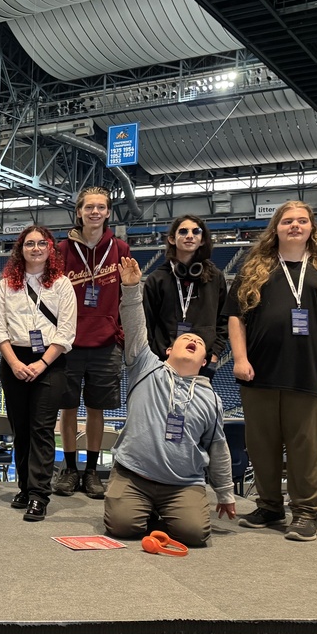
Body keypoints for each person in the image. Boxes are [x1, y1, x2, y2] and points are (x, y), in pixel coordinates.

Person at [225, 201, 317, 541]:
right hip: (260, 373)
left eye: (302, 220)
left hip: (310, 373)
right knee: (261, 445)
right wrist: (239, 359)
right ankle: (269, 506)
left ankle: (305, 512)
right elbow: (236, 317)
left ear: (312, 227)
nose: (295, 226)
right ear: (277, 228)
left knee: (306, 447)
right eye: (287, 221)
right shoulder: (255, 267)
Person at [104, 257, 236, 545]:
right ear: (167, 350)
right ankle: (143, 507)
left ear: (204, 361)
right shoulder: (145, 365)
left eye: (199, 343)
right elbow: (135, 323)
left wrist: (225, 493)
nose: (194, 341)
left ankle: (163, 510)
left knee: (195, 534)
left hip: (182, 483)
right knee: (122, 527)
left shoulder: (211, 399)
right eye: (186, 338)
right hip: (134, 475)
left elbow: (218, 448)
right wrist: (130, 287)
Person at [0, 226, 76, 521]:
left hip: (50, 361)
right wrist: (14, 363)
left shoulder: (63, 285)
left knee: (41, 429)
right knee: (21, 428)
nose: (36, 248)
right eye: (30, 243)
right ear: (21, 249)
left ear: (50, 249)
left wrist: (42, 363)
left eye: (42, 243)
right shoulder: (5, 285)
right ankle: (25, 487)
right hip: (14, 358)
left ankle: (39, 494)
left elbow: (66, 332)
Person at [55, 186, 129, 499]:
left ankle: (91, 472)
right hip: (69, 341)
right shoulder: (62, 249)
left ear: (108, 212)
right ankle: (70, 469)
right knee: (68, 409)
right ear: (80, 212)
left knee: (96, 409)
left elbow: (128, 294)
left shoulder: (121, 249)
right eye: (89, 208)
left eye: (100, 207)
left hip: (105, 341)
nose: (95, 212)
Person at [143, 215, 228, 374]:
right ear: (172, 239)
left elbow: (223, 319)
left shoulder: (215, 277)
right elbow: (147, 323)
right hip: (162, 361)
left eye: (196, 231)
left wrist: (214, 354)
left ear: (202, 240)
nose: (190, 235)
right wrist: (153, 356)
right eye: (183, 231)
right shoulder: (157, 279)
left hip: (202, 362)